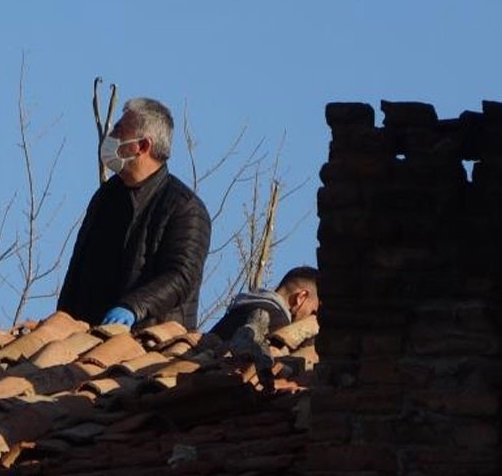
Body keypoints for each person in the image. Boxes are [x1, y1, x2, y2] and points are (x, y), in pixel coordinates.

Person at [57, 97, 211, 330]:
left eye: (119, 130)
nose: (111, 138)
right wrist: (63, 323)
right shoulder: (105, 198)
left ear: (143, 146)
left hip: (152, 347)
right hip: (88, 339)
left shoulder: (186, 209)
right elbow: (77, 273)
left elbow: (181, 276)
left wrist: (133, 307)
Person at [206, 265, 320, 342]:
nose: (312, 318)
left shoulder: (237, 311)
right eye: (313, 312)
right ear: (301, 297)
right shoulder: (277, 325)